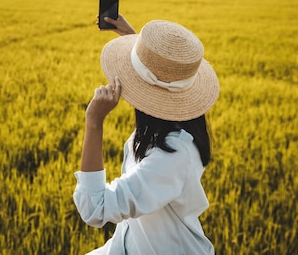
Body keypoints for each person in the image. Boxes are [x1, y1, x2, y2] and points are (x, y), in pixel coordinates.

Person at [73, 15, 219, 254]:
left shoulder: (173, 156)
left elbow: (95, 208)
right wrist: (133, 38)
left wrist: (94, 122)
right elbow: (164, 75)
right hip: (130, 244)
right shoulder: (172, 126)